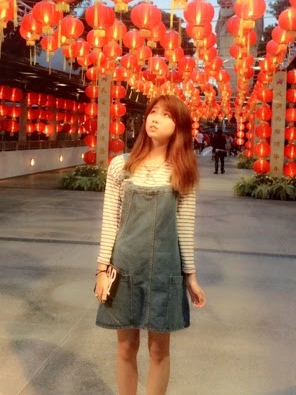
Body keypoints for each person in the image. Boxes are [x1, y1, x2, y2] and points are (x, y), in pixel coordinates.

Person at [94, 94, 206, 395]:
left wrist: (190, 277)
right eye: (153, 112)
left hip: (164, 269)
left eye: (167, 115)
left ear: (179, 127)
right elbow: (110, 222)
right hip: (125, 266)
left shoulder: (182, 170)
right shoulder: (121, 166)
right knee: (125, 347)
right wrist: (102, 270)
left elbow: (185, 229)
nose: (155, 118)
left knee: (159, 350)